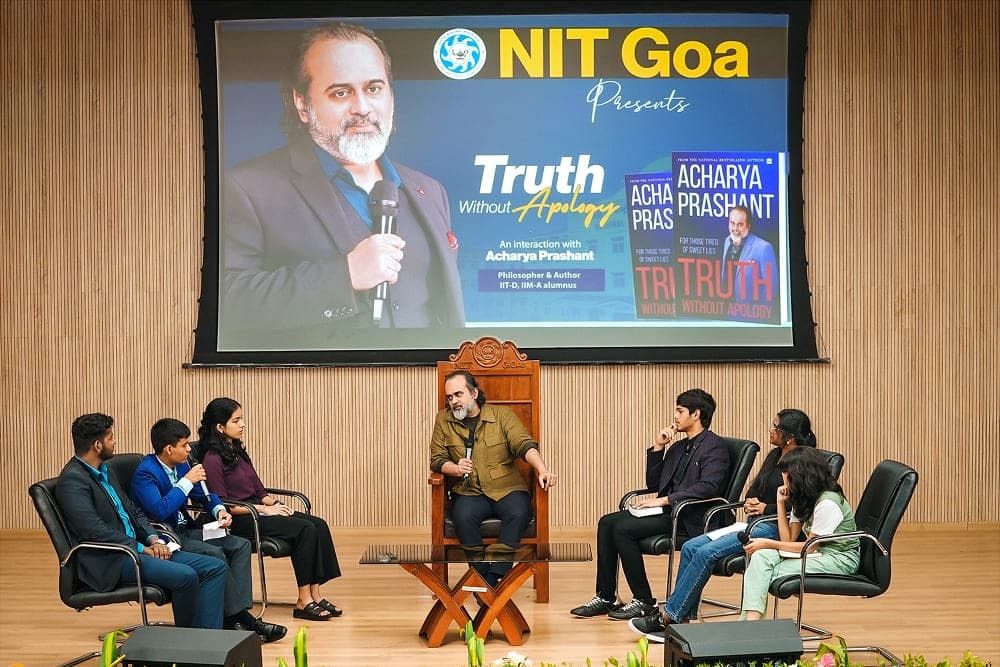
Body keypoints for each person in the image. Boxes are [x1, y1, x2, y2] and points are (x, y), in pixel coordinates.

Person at [221, 21, 464, 347]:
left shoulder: (429, 190)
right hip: (322, 391)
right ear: (303, 104)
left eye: (374, 89)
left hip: (418, 390)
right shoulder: (247, 188)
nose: (362, 107)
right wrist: (344, 276)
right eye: (341, 92)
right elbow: (228, 304)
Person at [628, 408, 817, 642]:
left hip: (774, 529)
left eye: (775, 427)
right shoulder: (775, 456)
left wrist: (765, 508)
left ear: (789, 436)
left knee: (707, 553)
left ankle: (669, 615)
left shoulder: (801, 463)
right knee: (690, 548)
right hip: (754, 522)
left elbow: (802, 508)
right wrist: (751, 503)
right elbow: (758, 490)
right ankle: (683, 622)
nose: (771, 429)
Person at [570, 388, 730, 621]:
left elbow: (709, 487)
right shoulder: (678, 446)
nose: (675, 416)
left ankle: (643, 600)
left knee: (623, 529)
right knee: (607, 522)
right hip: (668, 512)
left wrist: (665, 500)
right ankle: (606, 596)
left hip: (689, 518)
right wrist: (658, 447)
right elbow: (654, 482)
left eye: (680, 411)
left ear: (696, 414)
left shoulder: (715, 447)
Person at [56, 413, 227, 629]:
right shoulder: (73, 481)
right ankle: (190, 643)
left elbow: (133, 512)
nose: (114, 442)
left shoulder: (105, 470)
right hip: (113, 559)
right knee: (186, 576)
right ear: (98, 445)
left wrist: (153, 538)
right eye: (110, 438)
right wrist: (141, 548)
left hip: (138, 548)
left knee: (215, 567)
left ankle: (210, 640)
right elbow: (95, 532)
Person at [130, 418, 286, 643]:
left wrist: (219, 510)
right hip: (170, 537)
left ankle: (236, 615)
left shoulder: (183, 464)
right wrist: (185, 482)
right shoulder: (146, 473)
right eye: (184, 445)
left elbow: (205, 495)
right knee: (214, 554)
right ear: (169, 449)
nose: (188, 449)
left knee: (239, 545)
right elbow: (160, 510)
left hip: (190, 529)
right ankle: (240, 620)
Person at [199, 397, 343, 622]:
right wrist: (263, 511)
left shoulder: (236, 449)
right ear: (220, 427)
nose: (242, 424)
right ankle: (303, 600)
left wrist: (273, 504)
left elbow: (258, 487)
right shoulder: (213, 458)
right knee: (304, 529)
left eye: (242, 419)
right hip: (241, 519)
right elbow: (223, 504)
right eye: (236, 421)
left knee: (318, 524)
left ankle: (315, 593)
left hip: (257, 510)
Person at [429, 371, 557, 587]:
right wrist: (455, 468)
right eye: (449, 397)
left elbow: (524, 445)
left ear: (474, 393)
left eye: (458, 394)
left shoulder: (502, 416)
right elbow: (437, 459)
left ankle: (494, 578)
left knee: (519, 512)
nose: (453, 401)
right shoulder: (443, 420)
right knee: (463, 517)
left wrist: (542, 469)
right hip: (469, 491)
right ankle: (482, 579)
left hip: (506, 487)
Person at [740, 446, 860, 620]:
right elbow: (788, 539)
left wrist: (769, 543)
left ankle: (750, 627)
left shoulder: (828, 502)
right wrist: (780, 503)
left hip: (839, 558)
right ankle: (751, 627)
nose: (783, 479)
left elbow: (808, 548)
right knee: (760, 558)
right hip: (818, 553)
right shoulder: (803, 496)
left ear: (800, 476)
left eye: (786, 474)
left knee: (761, 571)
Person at [720, 205, 777, 304]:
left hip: (752, 315)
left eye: (740, 224)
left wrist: (760, 315)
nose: (735, 228)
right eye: (732, 223)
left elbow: (771, 288)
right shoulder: (727, 241)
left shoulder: (764, 248)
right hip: (728, 311)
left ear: (748, 226)